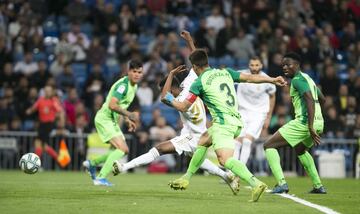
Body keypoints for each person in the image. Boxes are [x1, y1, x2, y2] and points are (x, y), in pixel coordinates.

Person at [162, 49, 286, 202]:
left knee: (224, 160)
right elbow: (248, 78)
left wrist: (169, 98)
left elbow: (183, 107)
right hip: (236, 120)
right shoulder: (225, 72)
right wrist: (272, 80)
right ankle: (186, 177)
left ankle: (256, 183)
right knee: (204, 140)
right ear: (207, 62)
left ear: (194, 67)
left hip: (223, 124)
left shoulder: (199, 82)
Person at [113, 66, 240, 194]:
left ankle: (124, 167)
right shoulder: (190, 85)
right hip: (198, 133)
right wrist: (190, 45)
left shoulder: (180, 101)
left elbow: (164, 97)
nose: (168, 93)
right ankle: (227, 177)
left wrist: (171, 73)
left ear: (172, 89)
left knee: (159, 149)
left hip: (193, 136)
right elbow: (196, 63)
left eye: (168, 90)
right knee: (199, 161)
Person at [263, 52, 327, 194]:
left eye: (288, 64)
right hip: (319, 122)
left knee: (268, 145)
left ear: (297, 65)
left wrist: (310, 125)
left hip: (305, 122)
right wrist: (316, 120)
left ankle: (282, 184)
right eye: (283, 65)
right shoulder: (308, 78)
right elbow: (322, 99)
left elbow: (309, 99)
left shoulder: (298, 80)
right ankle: (318, 185)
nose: (285, 67)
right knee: (300, 149)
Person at [82, 59, 143, 186]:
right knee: (121, 149)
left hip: (112, 120)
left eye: (140, 72)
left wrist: (126, 120)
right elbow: (112, 105)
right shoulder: (123, 86)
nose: (137, 74)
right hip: (105, 119)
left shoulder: (134, 86)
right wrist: (130, 115)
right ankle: (100, 177)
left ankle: (92, 163)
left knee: (123, 150)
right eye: (134, 71)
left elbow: (122, 105)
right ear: (128, 71)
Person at [233, 57, 276, 165]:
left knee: (247, 141)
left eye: (257, 65)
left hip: (258, 113)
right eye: (252, 65)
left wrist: (268, 117)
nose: (254, 67)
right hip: (242, 111)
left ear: (261, 65)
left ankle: (240, 172)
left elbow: (272, 96)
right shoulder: (241, 75)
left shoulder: (266, 79)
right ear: (249, 65)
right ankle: (231, 172)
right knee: (236, 142)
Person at [25, 85, 65, 166]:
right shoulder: (40, 100)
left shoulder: (53, 100)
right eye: (45, 91)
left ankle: (34, 164)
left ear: (51, 92)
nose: (47, 92)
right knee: (44, 146)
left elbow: (61, 111)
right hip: (41, 125)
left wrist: (62, 123)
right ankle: (60, 160)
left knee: (38, 143)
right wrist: (29, 111)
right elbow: (34, 108)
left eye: (49, 91)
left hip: (48, 125)